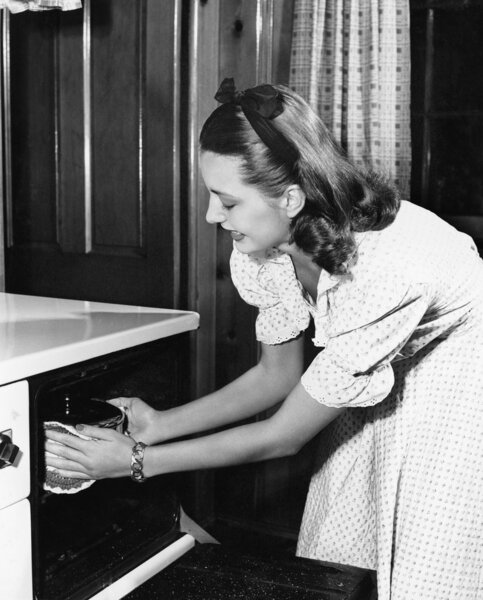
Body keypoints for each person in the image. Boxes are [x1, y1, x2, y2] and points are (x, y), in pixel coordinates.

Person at [45, 78, 483, 600]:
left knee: (422, 568)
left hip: (459, 390)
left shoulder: (385, 271)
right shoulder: (270, 244)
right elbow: (277, 377)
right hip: (379, 371)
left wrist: (138, 460)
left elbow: (284, 435)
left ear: (291, 198)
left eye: (226, 202)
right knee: (344, 552)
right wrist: (158, 425)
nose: (212, 215)